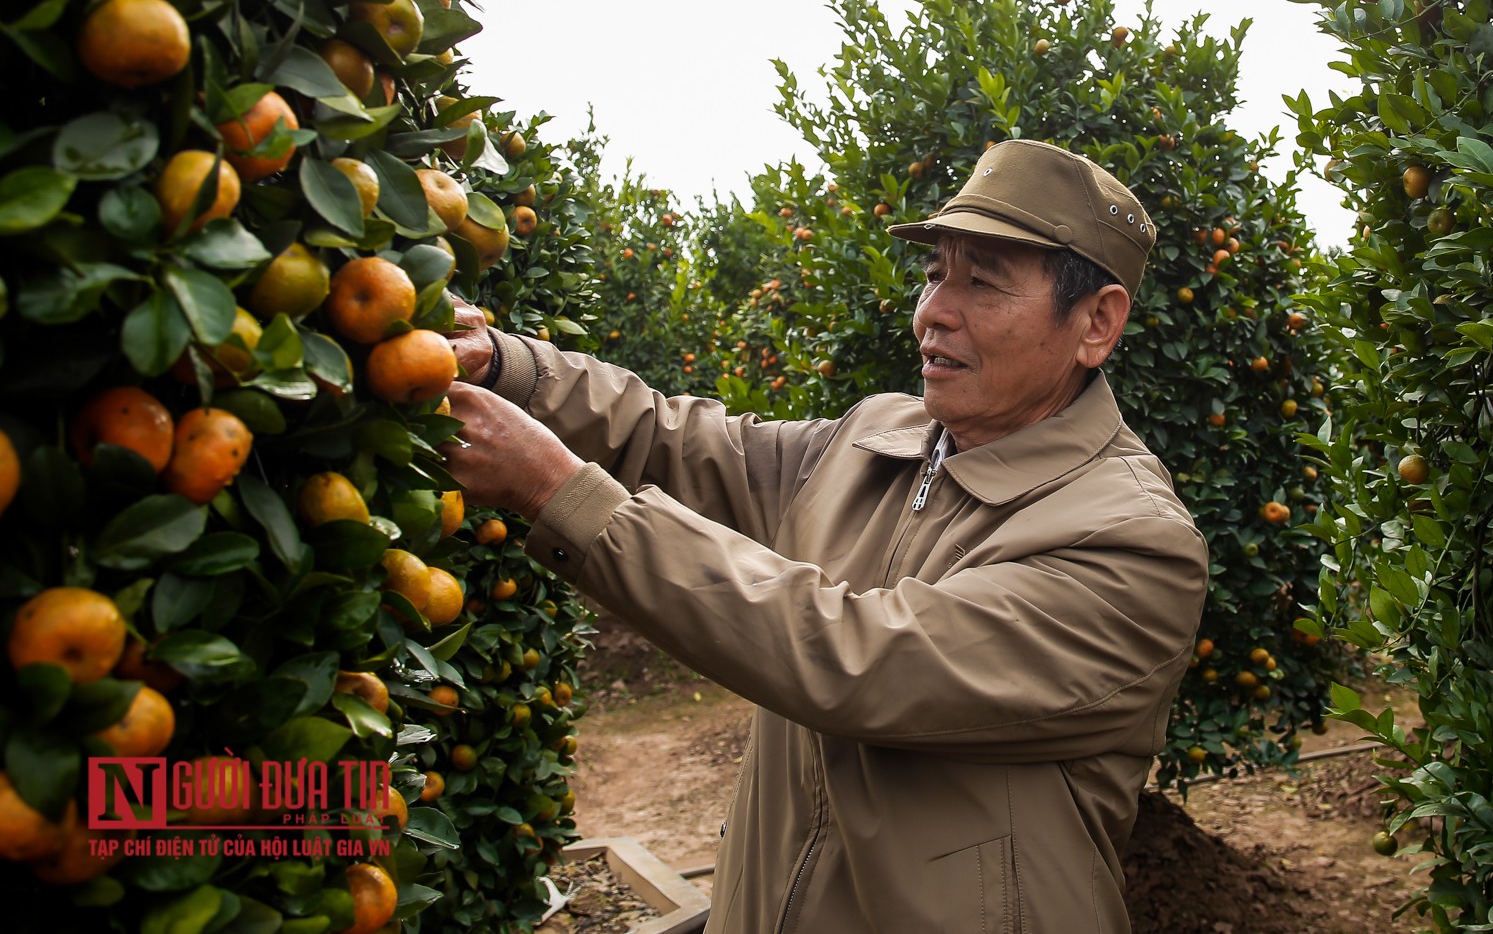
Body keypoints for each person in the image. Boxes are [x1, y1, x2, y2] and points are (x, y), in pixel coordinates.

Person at [442, 138, 1208, 934]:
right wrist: (510, 366)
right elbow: (686, 442)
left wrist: (554, 489)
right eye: (934, 272)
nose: (934, 311)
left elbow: (859, 659)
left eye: (982, 281)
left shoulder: (1131, 541)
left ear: (1097, 322)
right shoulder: (877, 437)